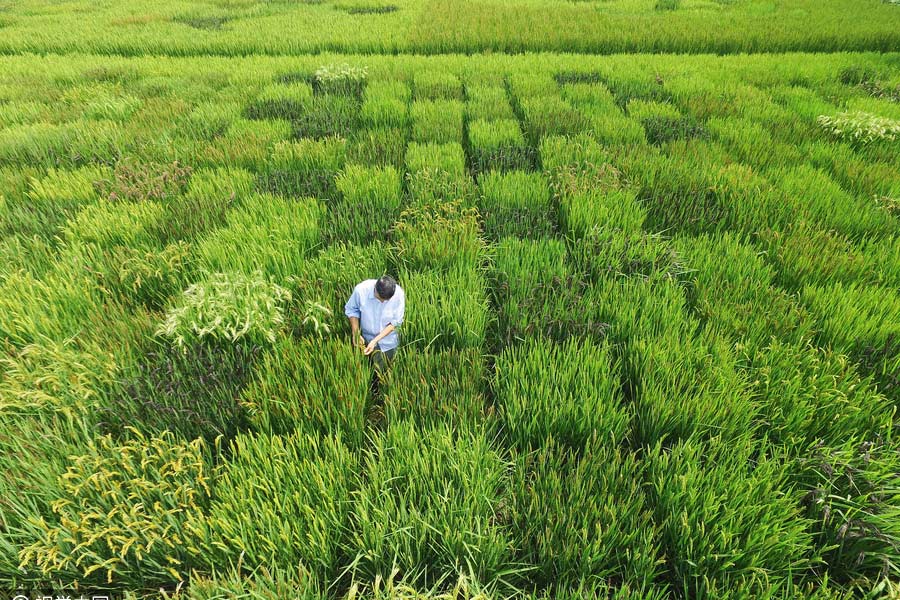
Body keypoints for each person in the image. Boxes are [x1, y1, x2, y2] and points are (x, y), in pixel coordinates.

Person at [344, 275, 405, 374]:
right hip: (365, 339)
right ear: (375, 289)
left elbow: (396, 322)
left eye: (386, 300)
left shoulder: (399, 294)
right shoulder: (361, 290)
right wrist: (355, 333)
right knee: (365, 370)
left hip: (388, 342)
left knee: (384, 372)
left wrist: (375, 341)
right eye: (380, 298)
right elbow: (352, 310)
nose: (382, 302)